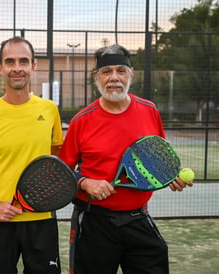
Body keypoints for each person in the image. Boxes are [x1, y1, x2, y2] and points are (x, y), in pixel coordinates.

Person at [59, 44, 194, 274]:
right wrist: (84, 182)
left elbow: (158, 156)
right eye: (106, 71)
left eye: (121, 71)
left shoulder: (149, 110)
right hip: (95, 223)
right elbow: (63, 173)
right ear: (96, 77)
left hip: (138, 218)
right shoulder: (81, 121)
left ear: (130, 74)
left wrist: (169, 176)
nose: (114, 78)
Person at [0, 36, 63, 273]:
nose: (17, 68)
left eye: (23, 61)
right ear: (0, 68)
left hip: (42, 220)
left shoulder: (49, 110)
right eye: (10, 61)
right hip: (0, 220)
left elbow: (57, 157)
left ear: (33, 66)